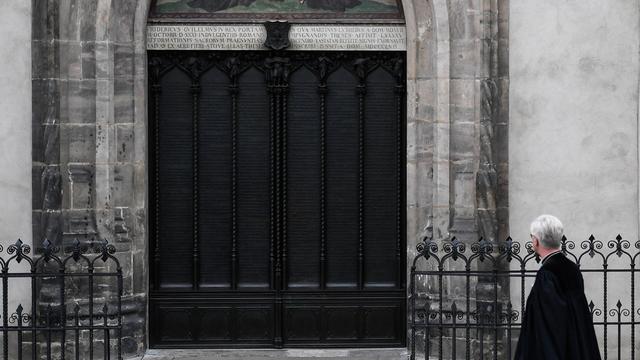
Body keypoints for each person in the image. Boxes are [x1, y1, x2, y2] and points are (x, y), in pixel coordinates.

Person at [515, 214, 601, 360]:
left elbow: (549, 327)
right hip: (577, 345)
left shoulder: (547, 273)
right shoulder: (571, 267)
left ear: (535, 240)